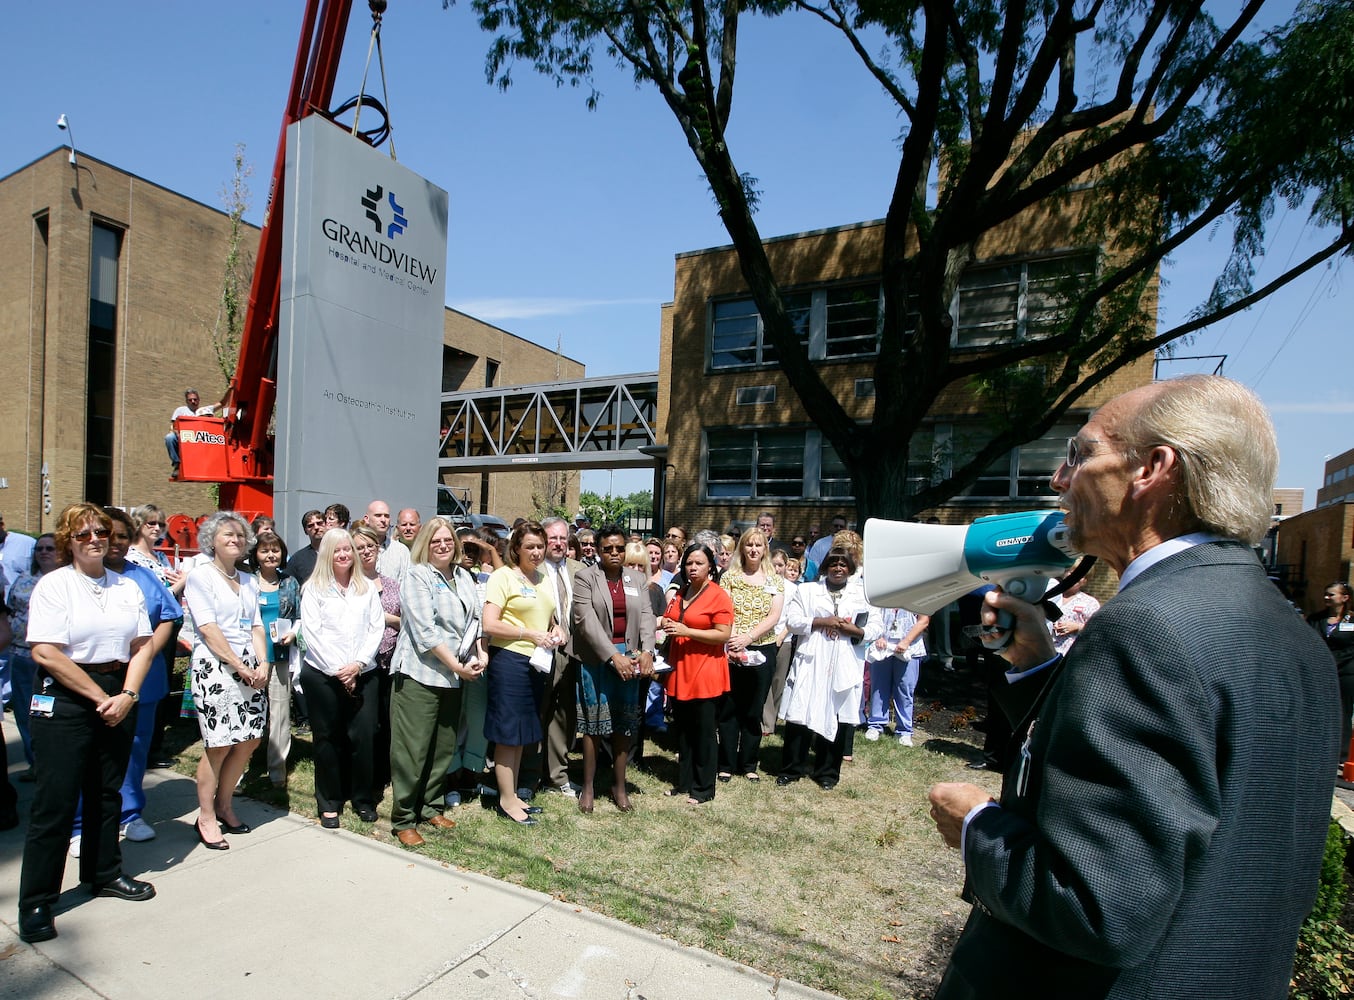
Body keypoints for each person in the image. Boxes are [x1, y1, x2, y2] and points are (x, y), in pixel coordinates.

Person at [927, 375, 1339, 999]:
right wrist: (1038, 666)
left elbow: (1095, 907)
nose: (1059, 482)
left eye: (1080, 455)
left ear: (1153, 468)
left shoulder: (1146, 625)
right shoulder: (1293, 634)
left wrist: (977, 826)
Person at [17, 503, 157, 945]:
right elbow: (45, 652)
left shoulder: (125, 586)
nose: (96, 539)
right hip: (67, 697)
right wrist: (101, 699)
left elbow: (144, 645)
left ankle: (103, 873)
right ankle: (37, 901)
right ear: (68, 541)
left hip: (118, 689)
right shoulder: (55, 585)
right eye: (84, 534)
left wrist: (127, 696)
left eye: (103, 531)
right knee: (55, 802)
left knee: (106, 791)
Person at [67, 509, 182, 850]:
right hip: (90, 678)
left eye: (120, 536)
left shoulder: (142, 576)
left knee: (133, 748)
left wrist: (143, 654)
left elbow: (167, 617)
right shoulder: (72, 578)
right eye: (107, 534)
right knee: (85, 751)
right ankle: (79, 823)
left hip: (141, 677)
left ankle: (130, 814)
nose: (113, 543)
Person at [388, 517, 485, 846]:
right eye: (435, 541)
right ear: (425, 545)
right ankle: (403, 817)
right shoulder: (417, 576)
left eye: (448, 541)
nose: (443, 546)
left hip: (453, 675)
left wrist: (479, 654)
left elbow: (476, 622)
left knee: (443, 748)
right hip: (419, 674)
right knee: (412, 751)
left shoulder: (463, 577)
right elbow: (425, 633)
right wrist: (458, 667)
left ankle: (430, 806)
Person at [184, 511, 270, 851]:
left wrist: (262, 662)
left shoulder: (249, 580)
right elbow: (208, 629)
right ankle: (206, 816)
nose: (234, 539)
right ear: (212, 541)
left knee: (248, 740)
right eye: (227, 535)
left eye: (239, 535)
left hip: (251, 667)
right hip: (216, 669)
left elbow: (257, 626)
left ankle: (225, 804)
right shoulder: (200, 577)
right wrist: (238, 665)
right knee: (219, 744)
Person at [299, 528, 384, 828]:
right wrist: (340, 670)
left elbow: (376, 627)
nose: (345, 554)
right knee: (327, 739)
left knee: (363, 737)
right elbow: (312, 633)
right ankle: (329, 801)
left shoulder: (366, 588)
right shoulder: (313, 589)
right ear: (327, 554)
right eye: (338, 550)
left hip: (363, 673)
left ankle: (362, 799)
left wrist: (358, 665)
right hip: (323, 675)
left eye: (348, 548)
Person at [482, 521, 565, 824]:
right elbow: (489, 624)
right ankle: (506, 800)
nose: (536, 551)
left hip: (536, 664)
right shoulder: (502, 577)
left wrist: (555, 629)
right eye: (529, 546)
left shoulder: (543, 578)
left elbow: (549, 616)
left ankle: (513, 793)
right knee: (508, 733)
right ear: (515, 548)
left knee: (522, 734)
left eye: (540, 546)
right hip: (509, 662)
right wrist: (529, 634)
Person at [777, 548, 880, 790]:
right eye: (833, 564)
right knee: (800, 713)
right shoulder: (808, 591)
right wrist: (821, 622)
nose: (838, 568)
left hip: (844, 661)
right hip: (813, 659)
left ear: (851, 569)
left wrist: (855, 631)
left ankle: (827, 772)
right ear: (825, 567)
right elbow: (792, 621)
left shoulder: (861, 595)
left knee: (837, 714)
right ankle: (792, 769)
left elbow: (876, 626)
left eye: (843, 565)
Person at [571, 525, 656, 813]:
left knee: (624, 723)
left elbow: (646, 614)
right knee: (593, 725)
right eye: (608, 548)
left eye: (620, 547)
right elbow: (585, 620)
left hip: (630, 656)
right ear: (598, 549)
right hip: (597, 658)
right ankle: (589, 786)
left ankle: (619, 785)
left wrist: (647, 651)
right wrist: (611, 656)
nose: (615, 553)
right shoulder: (585, 578)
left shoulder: (636, 578)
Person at [658, 542, 733, 805]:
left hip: (705, 670)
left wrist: (688, 631)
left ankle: (703, 788)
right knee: (684, 732)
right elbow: (670, 616)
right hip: (681, 669)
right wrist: (667, 622)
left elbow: (723, 634)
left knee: (703, 732)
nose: (692, 567)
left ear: (710, 566)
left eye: (698, 563)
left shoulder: (718, 596)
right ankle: (685, 782)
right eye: (689, 563)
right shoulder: (682, 592)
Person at [717, 527, 785, 782]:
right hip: (732, 646)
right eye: (749, 545)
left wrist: (749, 638)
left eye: (759, 546)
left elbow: (774, 616)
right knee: (730, 707)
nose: (754, 550)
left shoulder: (773, 579)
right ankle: (726, 763)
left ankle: (748, 764)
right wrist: (735, 641)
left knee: (753, 708)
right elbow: (726, 610)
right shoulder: (730, 577)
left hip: (762, 647)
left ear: (765, 549)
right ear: (742, 548)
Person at [530, 515, 583, 797]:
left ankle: (557, 775)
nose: (559, 543)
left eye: (563, 538)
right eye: (553, 538)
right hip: (541, 648)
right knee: (539, 710)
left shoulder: (580, 569)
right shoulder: (533, 569)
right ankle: (531, 772)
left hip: (574, 651)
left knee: (564, 714)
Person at [246, 532, 299, 787]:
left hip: (279, 657)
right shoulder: (247, 583)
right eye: (265, 551)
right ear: (256, 554)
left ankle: (277, 769)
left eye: (275, 550)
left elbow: (300, 616)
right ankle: (244, 765)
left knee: (279, 714)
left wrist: (293, 633)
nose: (271, 555)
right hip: (251, 658)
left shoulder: (290, 582)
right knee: (250, 712)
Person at [352, 522, 401, 791]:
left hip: (389, 663)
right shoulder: (350, 583)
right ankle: (362, 776)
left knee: (387, 722)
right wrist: (387, 619)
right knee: (364, 725)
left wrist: (388, 619)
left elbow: (405, 620)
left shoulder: (393, 584)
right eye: (360, 547)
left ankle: (384, 773)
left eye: (371, 546)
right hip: (361, 664)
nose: (367, 551)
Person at [4, 533, 58, 771]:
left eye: (50, 548)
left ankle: (49, 763)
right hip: (21, 656)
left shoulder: (66, 581)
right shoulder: (24, 579)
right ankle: (34, 763)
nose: (44, 552)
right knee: (25, 712)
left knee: (46, 712)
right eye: (40, 549)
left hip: (51, 659)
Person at [864, 607, 929, 746]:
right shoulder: (884, 592)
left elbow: (923, 621)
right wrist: (878, 636)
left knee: (904, 690)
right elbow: (871, 615)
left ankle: (904, 731)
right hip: (882, 647)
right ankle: (875, 725)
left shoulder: (918, 594)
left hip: (910, 649)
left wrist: (906, 641)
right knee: (878, 688)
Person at [1309, 581, 1354, 772]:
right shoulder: (1316, 619)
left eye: (1331, 594)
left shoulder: (1351, 622)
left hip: (1345, 672)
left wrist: (1333, 661)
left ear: (1344, 598)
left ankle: (1341, 753)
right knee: (1319, 710)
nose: (1327, 597)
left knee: (1343, 711)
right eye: (1326, 594)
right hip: (1320, 672)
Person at [164, 388, 213, 479]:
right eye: (190, 400)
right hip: (185, 437)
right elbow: (173, 426)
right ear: (186, 401)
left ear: (199, 400)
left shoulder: (204, 411)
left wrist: (231, 389)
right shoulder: (180, 410)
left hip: (200, 440)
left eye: (195, 399)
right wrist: (177, 433)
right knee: (169, 437)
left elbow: (222, 403)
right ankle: (177, 464)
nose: (193, 401)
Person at [1048, 573, 1100, 656]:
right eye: (1071, 573)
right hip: (1048, 653)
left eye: (1081, 575)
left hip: (1074, 655)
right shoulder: (1050, 597)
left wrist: (1077, 627)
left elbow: (1098, 629)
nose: (1076, 577)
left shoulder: (1090, 602)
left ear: (1085, 581)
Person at [365, 500, 410, 583]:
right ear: (367, 519)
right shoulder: (355, 549)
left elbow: (406, 586)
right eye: (378, 515)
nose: (383, 520)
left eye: (386, 516)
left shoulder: (401, 551)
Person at [285, 509, 327, 585]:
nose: (316, 527)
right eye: (311, 525)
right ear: (305, 531)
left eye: (319, 523)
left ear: (326, 525)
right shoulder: (297, 559)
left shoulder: (339, 553)